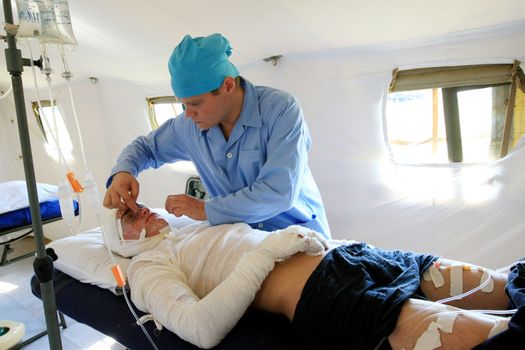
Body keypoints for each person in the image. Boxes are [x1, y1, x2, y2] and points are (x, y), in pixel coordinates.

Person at [102, 206, 525, 349]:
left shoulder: (190, 226)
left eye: (136, 204)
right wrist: (268, 251)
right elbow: (201, 329)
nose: (138, 209)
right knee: (498, 334)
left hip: (355, 257)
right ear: (118, 241)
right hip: (327, 297)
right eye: (126, 215)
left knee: (501, 284)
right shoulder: (145, 269)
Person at [102, 33, 330, 238]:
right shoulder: (189, 125)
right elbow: (146, 148)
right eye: (183, 105)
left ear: (228, 85)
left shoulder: (280, 110)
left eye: (196, 104)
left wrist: (204, 209)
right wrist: (124, 172)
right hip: (243, 242)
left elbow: (278, 192)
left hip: (300, 238)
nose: (188, 114)